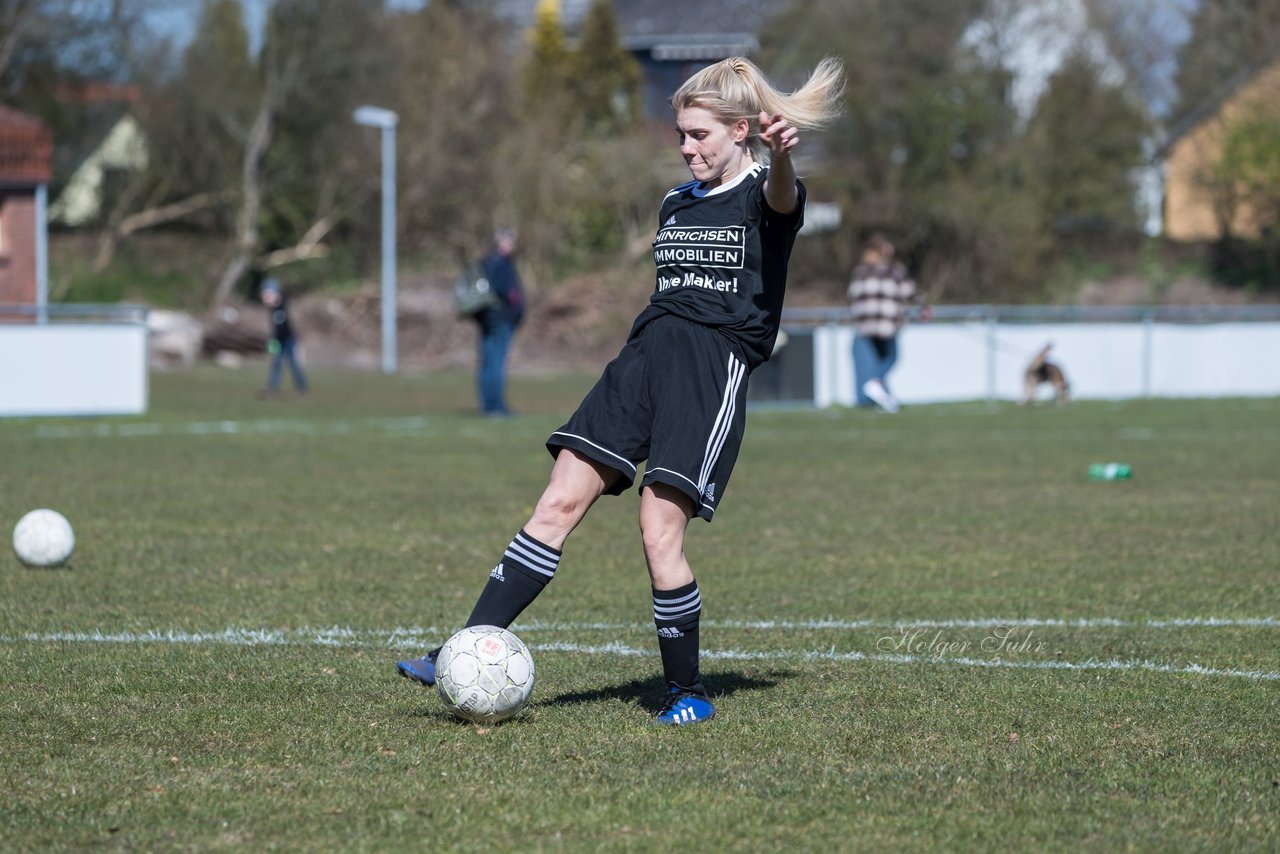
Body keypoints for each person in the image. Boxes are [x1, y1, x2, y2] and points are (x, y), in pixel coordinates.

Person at [397, 56, 845, 726]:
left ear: (742, 130)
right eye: (682, 137)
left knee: (657, 529)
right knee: (556, 502)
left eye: (701, 135)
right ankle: (454, 650)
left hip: (708, 366)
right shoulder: (675, 202)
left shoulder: (765, 194)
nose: (688, 148)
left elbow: (784, 199)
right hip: (641, 358)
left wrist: (781, 159)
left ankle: (685, 691)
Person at [847, 234, 925, 413]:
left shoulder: (859, 271)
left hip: (864, 325)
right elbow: (909, 291)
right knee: (891, 357)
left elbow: (851, 295)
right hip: (886, 324)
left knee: (875, 359)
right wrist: (923, 307)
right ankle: (875, 383)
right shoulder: (892, 270)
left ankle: (880, 396)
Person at [474, 229, 525, 417]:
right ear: (500, 243)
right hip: (500, 320)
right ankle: (495, 405)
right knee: (496, 362)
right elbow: (507, 292)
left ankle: (487, 404)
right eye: (509, 241)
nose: (512, 245)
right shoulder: (500, 264)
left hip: (488, 319)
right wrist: (516, 308)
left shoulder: (486, 261)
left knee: (488, 361)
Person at [260, 277, 309, 397]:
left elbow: (283, 328)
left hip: (288, 341)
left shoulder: (281, 307)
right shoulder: (273, 308)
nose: (265, 297)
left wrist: (274, 341)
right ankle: (272, 388)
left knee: (294, 366)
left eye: (267, 294)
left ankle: (302, 388)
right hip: (278, 341)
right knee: (276, 365)